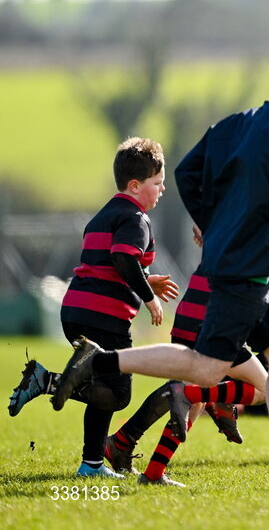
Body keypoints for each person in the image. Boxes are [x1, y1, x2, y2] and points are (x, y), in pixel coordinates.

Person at [44, 50, 269, 492]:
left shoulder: (236, 123)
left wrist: (216, 221)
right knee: (206, 369)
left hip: (253, 265)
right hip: (245, 268)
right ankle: (101, 360)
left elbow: (189, 171)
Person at [9, 138, 179, 478]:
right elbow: (122, 258)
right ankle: (47, 381)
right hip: (105, 317)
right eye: (157, 183)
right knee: (118, 395)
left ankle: (91, 465)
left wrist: (147, 280)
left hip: (76, 310)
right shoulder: (137, 219)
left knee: (103, 389)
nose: (161, 190)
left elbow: (111, 262)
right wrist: (149, 297)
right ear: (135, 185)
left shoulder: (105, 214)